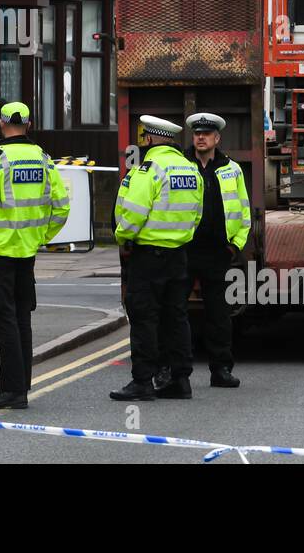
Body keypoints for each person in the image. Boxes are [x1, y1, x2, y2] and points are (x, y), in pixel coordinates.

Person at [0, 102, 70, 409]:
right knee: (22, 318)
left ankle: (10, 390)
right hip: (27, 251)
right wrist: (42, 236)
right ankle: (21, 387)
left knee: (2, 317)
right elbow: (62, 206)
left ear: (2, 124)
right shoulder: (44, 159)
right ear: (29, 124)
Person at [110, 116, 203, 401]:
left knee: (144, 318)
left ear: (149, 139)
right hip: (179, 256)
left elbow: (134, 213)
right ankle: (180, 380)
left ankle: (142, 381)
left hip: (148, 256)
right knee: (176, 318)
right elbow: (197, 213)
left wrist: (122, 237)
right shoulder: (191, 169)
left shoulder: (148, 170)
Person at [185, 112, 251, 389]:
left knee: (219, 315)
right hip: (184, 250)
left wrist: (234, 245)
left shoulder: (231, 169)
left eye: (206, 133)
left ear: (217, 138)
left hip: (217, 252)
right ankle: (175, 372)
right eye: (197, 133)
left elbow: (244, 210)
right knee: (176, 312)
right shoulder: (180, 166)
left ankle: (221, 370)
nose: (201, 137)